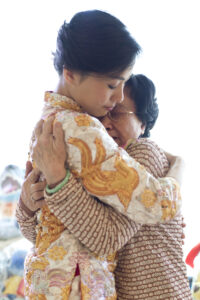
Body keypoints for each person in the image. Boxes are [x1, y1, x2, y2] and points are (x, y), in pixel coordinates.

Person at [16, 10, 182, 299]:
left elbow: (41, 229)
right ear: (70, 73)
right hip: (79, 287)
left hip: (44, 283)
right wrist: (181, 171)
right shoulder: (82, 130)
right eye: (111, 85)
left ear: (144, 123)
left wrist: (31, 201)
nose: (117, 98)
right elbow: (154, 202)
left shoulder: (44, 126)